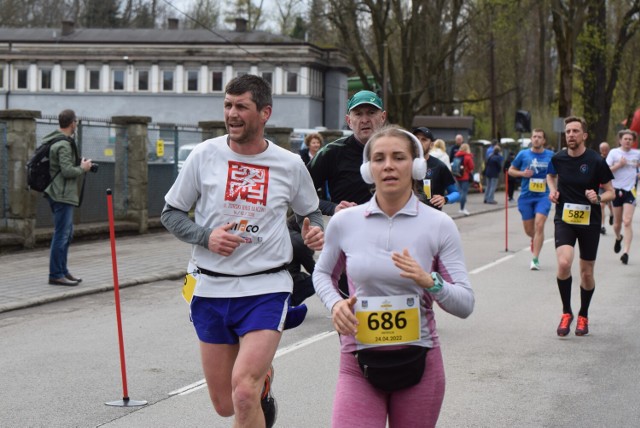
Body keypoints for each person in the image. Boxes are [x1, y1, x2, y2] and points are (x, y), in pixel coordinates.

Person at [161, 75, 324, 428]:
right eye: (227, 105)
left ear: (264, 112)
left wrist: (316, 232)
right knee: (224, 404)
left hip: (267, 287)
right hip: (210, 286)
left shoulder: (289, 164)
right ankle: (261, 379)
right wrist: (206, 237)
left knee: (243, 393)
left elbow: (310, 212)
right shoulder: (204, 156)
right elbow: (170, 213)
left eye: (241, 107)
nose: (231, 114)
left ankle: (254, 382)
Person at [313, 126, 474, 428]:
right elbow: (322, 273)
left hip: (420, 364)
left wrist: (430, 281)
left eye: (399, 157)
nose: (388, 165)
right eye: (379, 158)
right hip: (357, 362)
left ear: (416, 166)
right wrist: (335, 305)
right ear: (367, 168)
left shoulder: (439, 225)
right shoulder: (345, 222)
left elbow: (465, 303)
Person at [546, 116, 614, 337]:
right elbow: (550, 175)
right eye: (568, 131)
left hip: (589, 221)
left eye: (575, 131)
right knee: (564, 263)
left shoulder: (595, 161)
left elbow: (611, 192)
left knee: (586, 274)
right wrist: (552, 190)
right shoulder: (558, 158)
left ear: (584, 135)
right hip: (564, 218)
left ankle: (583, 314)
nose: (571, 135)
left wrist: (598, 197)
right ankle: (567, 312)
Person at [308, 90, 387, 215]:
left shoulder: (396, 152)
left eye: (371, 113)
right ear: (349, 120)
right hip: (346, 229)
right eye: (358, 114)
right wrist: (333, 208)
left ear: (383, 117)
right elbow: (300, 193)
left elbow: (417, 193)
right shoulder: (331, 152)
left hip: (389, 228)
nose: (365, 120)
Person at [44, 109, 93, 286]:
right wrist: (83, 168)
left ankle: (63, 271)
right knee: (61, 235)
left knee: (66, 233)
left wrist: (79, 163)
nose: (76, 125)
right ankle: (56, 274)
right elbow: (66, 171)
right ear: (72, 123)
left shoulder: (57, 140)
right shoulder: (63, 144)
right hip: (61, 194)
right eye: (76, 122)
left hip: (60, 193)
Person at [508, 129, 554, 270]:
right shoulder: (523, 154)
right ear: (531, 139)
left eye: (539, 137)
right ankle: (534, 239)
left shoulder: (551, 156)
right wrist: (522, 173)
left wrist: (555, 189)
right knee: (530, 230)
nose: (536, 139)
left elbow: (556, 174)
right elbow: (510, 170)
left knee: (539, 225)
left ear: (544, 140)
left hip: (543, 196)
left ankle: (535, 259)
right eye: (534, 137)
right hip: (526, 196)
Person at [606, 129, 640, 264]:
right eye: (625, 139)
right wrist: (619, 165)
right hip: (616, 190)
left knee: (627, 221)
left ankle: (626, 252)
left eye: (630, 139)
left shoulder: (637, 154)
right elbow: (605, 170)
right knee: (617, 224)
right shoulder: (614, 153)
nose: (628, 141)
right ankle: (618, 237)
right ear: (620, 140)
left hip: (630, 191)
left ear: (633, 142)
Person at [412, 127, 460, 210]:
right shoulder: (403, 164)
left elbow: (455, 193)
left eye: (424, 139)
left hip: (431, 216)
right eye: (416, 139)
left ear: (431, 145)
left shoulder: (439, 166)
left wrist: (445, 199)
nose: (419, 142)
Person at [453, 143, 475, 215]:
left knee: (460, 191)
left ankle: (461, 208)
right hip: (465, 177)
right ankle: (462, 208)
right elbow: (471, 167)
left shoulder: (457, 155)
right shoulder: (467, 157)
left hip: (457, 175)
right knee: (464, 193)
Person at [599, 142, 614, 234]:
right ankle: (602, 226)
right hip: (600, 185)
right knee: (602, 205)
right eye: (602, 149)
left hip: (611, 186)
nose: (604, 151)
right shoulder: (598, 159)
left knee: (610, 204)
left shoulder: (612, 158)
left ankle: (612, 214)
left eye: (606, 149)